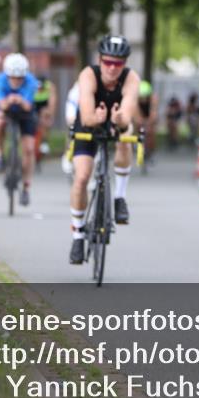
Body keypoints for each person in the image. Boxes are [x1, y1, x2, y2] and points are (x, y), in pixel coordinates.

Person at [68, 35, 141, 265]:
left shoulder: (131, 79)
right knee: (81, 178)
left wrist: (119, 119)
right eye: (108, 62)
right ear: (99, 60)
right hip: (88, 123)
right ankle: (78, 235)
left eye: (118, 63)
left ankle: (119, 198)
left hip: (115, 122)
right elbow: (87, 113)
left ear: (125, 64)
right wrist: (96, 118)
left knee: (126, 137)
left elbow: (127, 113)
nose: (112, 68)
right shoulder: (88, 75)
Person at [0, 53, 39, 206]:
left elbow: (27, 105)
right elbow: (2, 105)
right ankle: (0, 154)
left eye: (20, 78)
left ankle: (26, 187)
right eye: (13, 77)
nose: (17, 81)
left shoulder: (31, 82)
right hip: (7, 111)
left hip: (25, 114)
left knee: (29, 149)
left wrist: (16, 99)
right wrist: (12, 100)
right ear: (7, 75)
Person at [32, 73, 57, 166]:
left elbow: (52, 102)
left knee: (45, 117)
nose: (39, 90)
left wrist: (50, 115)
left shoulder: (50, 86)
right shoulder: (31, 85)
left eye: (41, 88)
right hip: (34, 104)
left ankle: (45, 141)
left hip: (45, 104)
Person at [136, 80, 159, 159]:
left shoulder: (154, 98)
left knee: (151, 131)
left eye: (145, 97)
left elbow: (153, 112)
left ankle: (152, 150)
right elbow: (136, 113)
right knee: (139, 127)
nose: (143, 99)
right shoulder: (135, 99)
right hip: (141, 114)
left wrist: (150, 123)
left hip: (149, 114)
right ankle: (139, 146)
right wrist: (140, 121)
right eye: (141, 97)